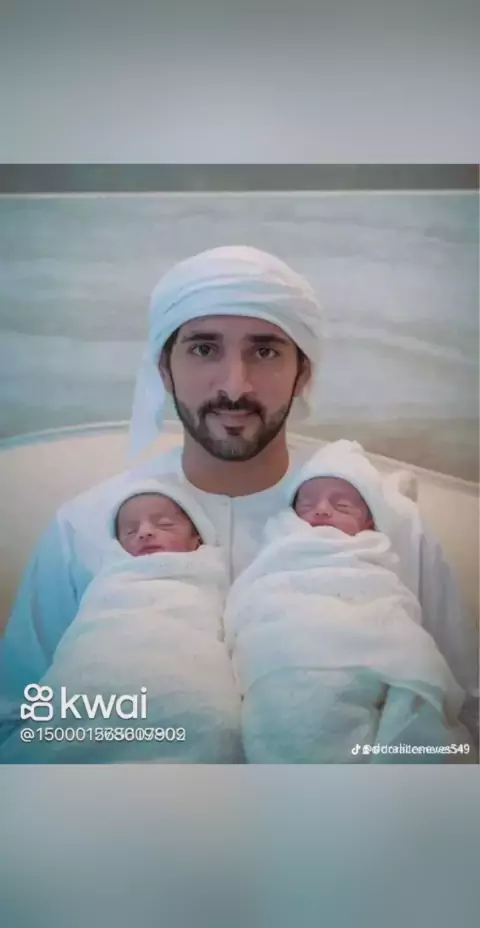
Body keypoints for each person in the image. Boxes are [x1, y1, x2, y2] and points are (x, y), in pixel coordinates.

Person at [0, 245, 477, 747]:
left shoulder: (383, 520)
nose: (234, 386)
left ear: (303, 372)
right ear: (164, 369)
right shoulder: (85, 526)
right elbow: (16, 718)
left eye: (265, 352)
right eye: (204, 349)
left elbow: (463, 713)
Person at [224, 445, 472, 763]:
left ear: (369, 522)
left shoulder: (375, 558)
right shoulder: (277, 552)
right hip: (282, 651)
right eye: (307, 504)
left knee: (413, 697)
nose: (321, 511)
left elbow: (392, 602)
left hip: (367, 643)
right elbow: (251, 597)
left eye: (341, 505)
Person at [0, 479, 243, 763]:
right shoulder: (111, 579)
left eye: (164, 524)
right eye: (130, 530)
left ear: (196, 539)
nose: (145, 532)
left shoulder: (208, 577)